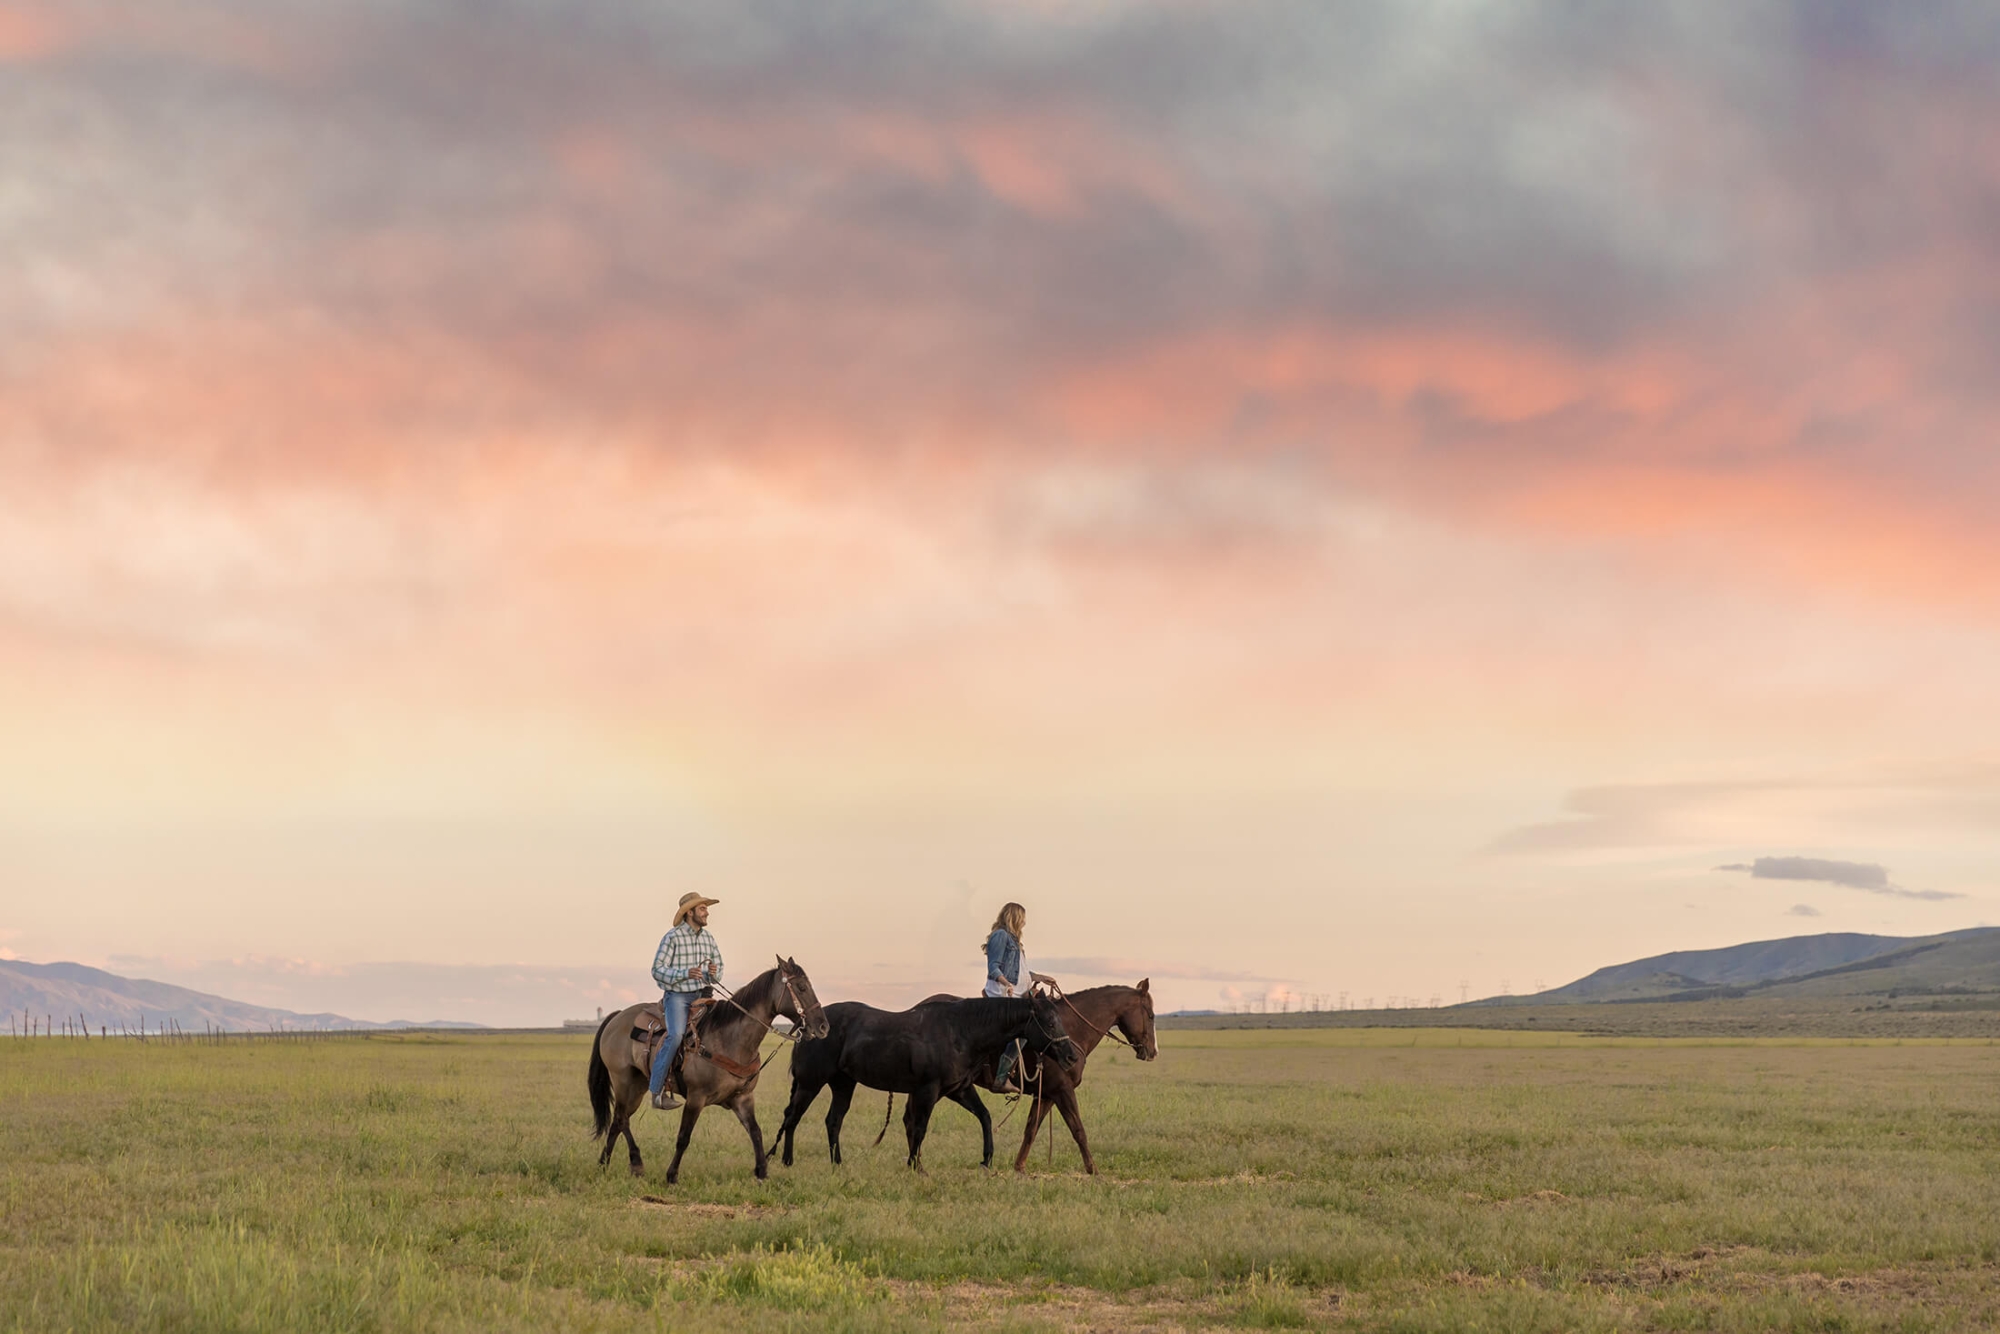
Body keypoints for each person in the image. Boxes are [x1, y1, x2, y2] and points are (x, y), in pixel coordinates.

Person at [649, 892, 724, 1111]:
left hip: (703, 994)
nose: (706, 912)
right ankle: (656, 1092)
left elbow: (718, 969)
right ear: (689, 912)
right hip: (678, 996)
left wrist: (713, 973)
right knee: (676, 1036)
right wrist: (685, 973)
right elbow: (657, 970)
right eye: (702, 908)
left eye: (705, 908)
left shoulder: (709, 938)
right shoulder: (672, 937)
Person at [983, 902, 1055, 1093]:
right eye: (1022, 918)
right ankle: (1001, 1077)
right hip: (1003, 995)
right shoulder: (1000, 936)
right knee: (1025, 1030)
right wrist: (1006, 983)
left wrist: (1038, 977)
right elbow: (994, 968)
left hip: (1017, 994)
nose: (1024, 922)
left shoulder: (1014, 941)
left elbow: (1019, 972)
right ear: (1014, 917)